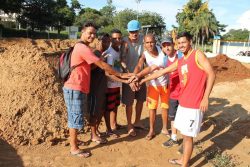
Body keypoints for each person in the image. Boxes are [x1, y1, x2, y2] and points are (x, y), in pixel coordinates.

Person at [139, 32, 215, 166]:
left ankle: (185, 163)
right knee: (184, 135)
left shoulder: (197, 54)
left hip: (194, 105)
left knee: (188, 137)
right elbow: (161, 71)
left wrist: (205, 98)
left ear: (190, 41)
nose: (181, 45)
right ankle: (183, 160)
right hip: (183, 103)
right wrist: (142, 79)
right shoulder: (181, 60)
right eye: (179, 43)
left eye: (183, 42)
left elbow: (212, 74)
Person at [63, 22, 132, 157]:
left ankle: (75, 142)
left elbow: (92, 67)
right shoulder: (82, 48)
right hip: (75, 87)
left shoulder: (83, 47)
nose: (92, 35)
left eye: (94, 33)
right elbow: (102, 65)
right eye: (90, 33)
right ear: (82, 32)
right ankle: (74, 148)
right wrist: (121, 75)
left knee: (76, 116)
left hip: (80, 87)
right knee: (75, 117)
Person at [133, 34, 169, 140]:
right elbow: (139, 65)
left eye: (151, 42)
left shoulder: (162, 50)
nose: (150, 44)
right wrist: (135, 75)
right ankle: (152, 130)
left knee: (165, 107)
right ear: (144, 44)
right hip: (152, 85)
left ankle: (165, 128)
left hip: (165, 84)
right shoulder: (144, 55)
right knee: (152, 108)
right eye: (147, 42)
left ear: (155, 41)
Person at [121, 20, 147, 137]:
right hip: (128, 77)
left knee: (140, 99)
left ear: (139, 30)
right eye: (131, 32)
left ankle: (137, 121)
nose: (134, 34)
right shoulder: (125, 42)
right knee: (129, 102)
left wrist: (137, 76)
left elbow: (143, 59)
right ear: (128, 32)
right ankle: (129, 124)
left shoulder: (143, 40)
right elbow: (122, 60)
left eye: (135, 31)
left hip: (141, 75)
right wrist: (130, 76)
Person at [104, 29, 128, 137]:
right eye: (115, 38)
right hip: (111, 85)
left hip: (117, 84)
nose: (117, 40)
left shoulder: (117, 50)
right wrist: (123, 79)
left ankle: (114, 124)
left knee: (115, 105)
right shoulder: (110, 54)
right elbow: (108, 72)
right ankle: (109, 129)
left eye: (119, 38)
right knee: (109, 108)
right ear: (111, 39)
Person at [88, 33, 111, 144]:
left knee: (100, 110)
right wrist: (100, 60)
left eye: (108, 42)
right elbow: (90, 68)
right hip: (94, 89)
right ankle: (93, 134)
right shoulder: (94, 53)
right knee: (94, 112)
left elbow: (106, 71)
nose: (106, 44)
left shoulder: (103, 53)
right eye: (104, 41)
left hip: (102, 88)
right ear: (98, 40)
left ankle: (95, 131)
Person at [161, 37, 181, 147]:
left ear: (174, 45)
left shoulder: (181, 56)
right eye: (164, 46)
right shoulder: (165, 60)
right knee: (173, 116)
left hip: (184, 93)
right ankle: (174, 138)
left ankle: (187, 141)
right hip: (172, 93)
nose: (167, 47)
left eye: (168, 44)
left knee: (184, 116)